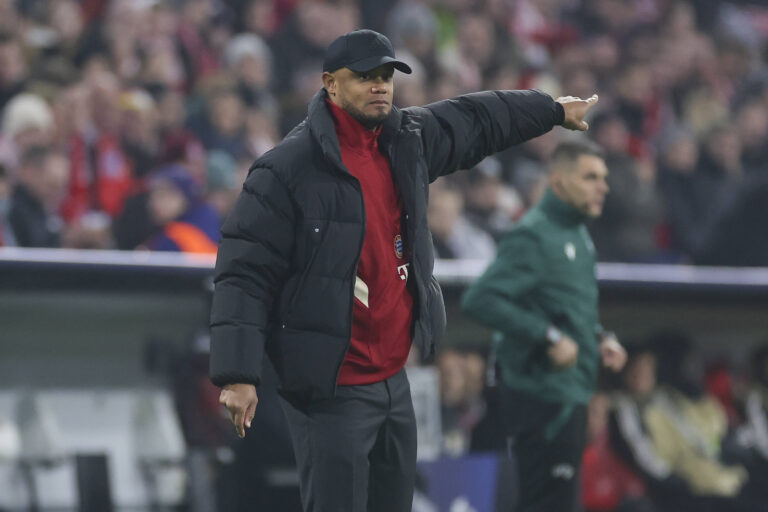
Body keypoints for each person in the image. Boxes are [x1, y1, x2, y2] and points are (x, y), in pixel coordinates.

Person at [210, 29, 598, 512]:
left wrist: (553, 111)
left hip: (394, 379)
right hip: (331, 388)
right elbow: (244, 271)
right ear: (330, 84)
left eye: (387, 76)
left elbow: (478, 119)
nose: (380, 86)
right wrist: (237, 373)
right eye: (365, 77)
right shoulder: (286, 169)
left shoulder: (406, 139)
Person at [461, 139, 627, 512]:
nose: (603, 186)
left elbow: (569, 310)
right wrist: (548, 336)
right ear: (559, 182)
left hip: (572, 392)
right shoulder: (533, 234)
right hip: (541, 396)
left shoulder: (579, 236)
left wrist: (601, 338)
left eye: (603, 177)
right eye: (590, 177)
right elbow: (481, 299)